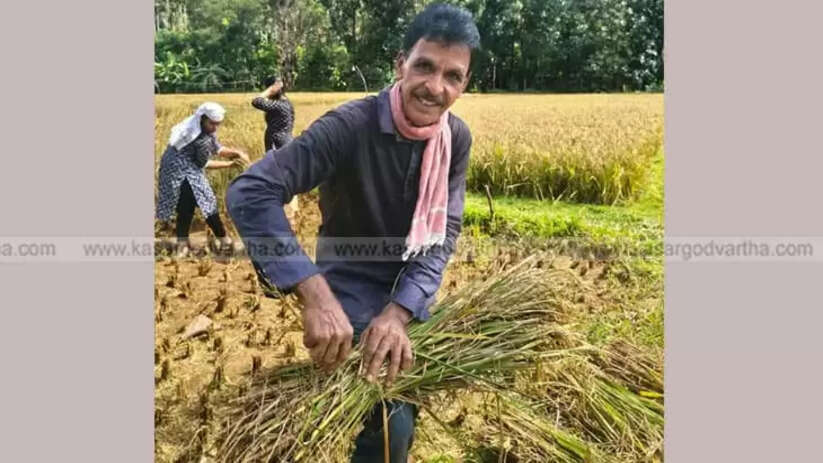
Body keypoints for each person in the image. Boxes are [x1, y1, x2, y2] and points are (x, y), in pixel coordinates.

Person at [227, 3, 479, 462]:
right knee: (391, 427)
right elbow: (250, 191)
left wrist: (399, 312)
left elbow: (444, 231)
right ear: (401, 64)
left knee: (403, 405)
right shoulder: (349, 127)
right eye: (424, 67)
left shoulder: (454, 138)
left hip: (410, 293)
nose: (435, 87)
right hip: (348, 288)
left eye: (452, 76)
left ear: (464, 83)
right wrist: (315, 295)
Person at [156, 102, 250, 258]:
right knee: (205, 203)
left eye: (218, 124)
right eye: (212, 123)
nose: (215, 128)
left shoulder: (196, 126)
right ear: (203, 119)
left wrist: (237, 153)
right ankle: (223, 240)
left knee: (187, 206)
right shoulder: (199, 138)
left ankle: (183, 244)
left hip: (178, 167)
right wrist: (230, 164)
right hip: (178, 171)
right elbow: (204, 164)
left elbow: (218, 148)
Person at [252, 75, 295, 152]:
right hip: (286, 143)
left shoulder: (279, 105)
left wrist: (270, 89)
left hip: (277, 145)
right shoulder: (287, 103)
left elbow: (256, 101)